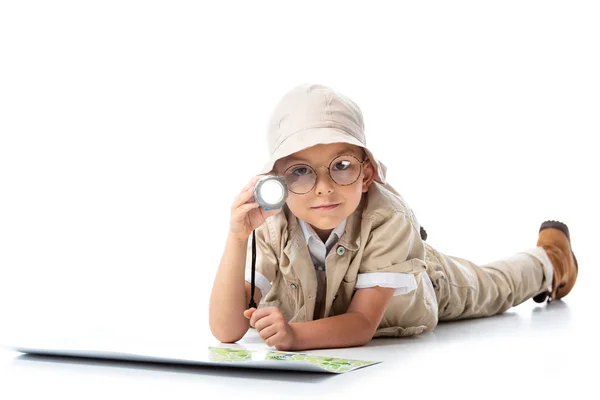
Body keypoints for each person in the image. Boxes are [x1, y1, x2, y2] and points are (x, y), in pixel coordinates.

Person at [208, 84, 578, 351]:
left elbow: (361, 324)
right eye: (300, 172)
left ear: (367, 174)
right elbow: (226, 330)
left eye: (341, 166)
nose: (323, 188)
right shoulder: (271, 224)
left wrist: (296, 337)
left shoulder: (386, 216)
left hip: (420, 285)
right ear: (277, 183)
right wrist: (237, 237)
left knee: (493, 288)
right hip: (339, 304)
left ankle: (551, 260)